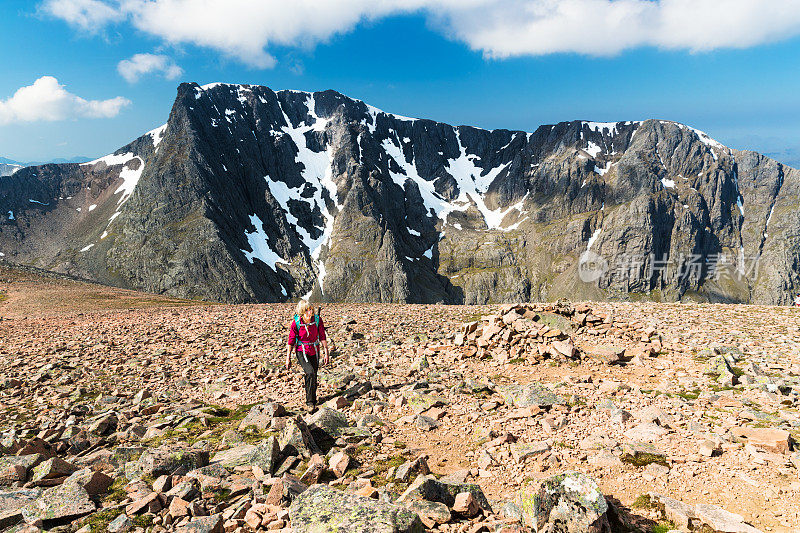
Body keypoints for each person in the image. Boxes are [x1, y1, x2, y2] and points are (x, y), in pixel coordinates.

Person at [286, 299, 330, 410]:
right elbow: (291, 341)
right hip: (302, 351)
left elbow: (322, 336)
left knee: (313, 374)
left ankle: (312, 399)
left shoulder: (317, 320)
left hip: (314, 350)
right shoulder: (296, 323)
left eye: (310, 309)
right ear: (302, 311)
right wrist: (288, 358)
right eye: (307, 310)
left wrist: (326, 352)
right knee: (309, 372)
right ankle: (310, 402)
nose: (310, 311)